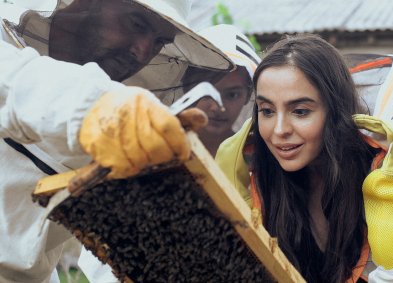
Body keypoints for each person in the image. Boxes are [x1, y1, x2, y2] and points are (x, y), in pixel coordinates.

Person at [0, 0, 234, 282]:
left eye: (159, 41)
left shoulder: (121, 114)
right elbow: (20, 81)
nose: (142, 51)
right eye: (137, 24)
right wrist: (94, 109)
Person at [216, 34, 393, 282]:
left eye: (301, 111)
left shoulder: (388, 175)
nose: (279, 129)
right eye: (267, 110)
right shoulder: (260, 180)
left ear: (334, 112)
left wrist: (388, 196)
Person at [192, 24, 261, 156]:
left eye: (232, 95)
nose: (218, 107)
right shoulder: (163, 148)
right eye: (207, 92)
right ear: (187, 86)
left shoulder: (258, 159)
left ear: (247, 95)